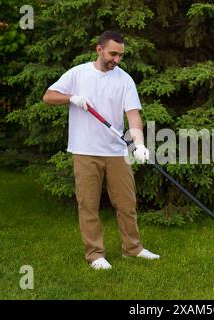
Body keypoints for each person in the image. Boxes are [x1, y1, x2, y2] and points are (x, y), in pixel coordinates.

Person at [42, 31, 159, 270]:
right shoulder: (78, 74)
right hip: (85, 151)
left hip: (117, 152)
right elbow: (48, 96)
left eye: (120, 55)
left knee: (127, 203)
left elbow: (133, 115)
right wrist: (72, 98)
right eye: (112, 53)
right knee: (88, 205)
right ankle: (95, 254)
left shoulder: (124, 79)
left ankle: (132, 249)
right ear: (99, 49)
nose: (116, 59)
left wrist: (139, 144)